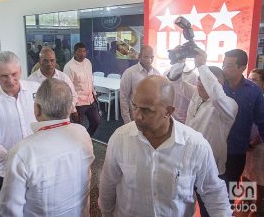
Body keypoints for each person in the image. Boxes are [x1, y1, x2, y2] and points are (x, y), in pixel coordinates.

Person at [98, 75, 232, 216]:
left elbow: (214, 193)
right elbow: (108, 185)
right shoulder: (120, 139)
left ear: (169, 111)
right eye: (135, 106)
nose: (137, 116)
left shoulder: (196, 146)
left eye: (146, 110)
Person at [0, 78, 94, 217]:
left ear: (37, 109)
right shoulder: (82, 133)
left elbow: (9, 212)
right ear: (69, 108)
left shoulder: (22, 152)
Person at [168, 50, 238, 217]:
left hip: (211, 168)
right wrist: (180, 60)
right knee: (183, 205)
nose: (200, 83)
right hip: (187, 163)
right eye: (199, 79)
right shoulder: (196, 95)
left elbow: (217, 96)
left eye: (204, 80)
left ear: (218, 85)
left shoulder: (229, 105)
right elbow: (176, 82)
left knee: (211, 211)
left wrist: (202, 66)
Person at [0, 51, 39, 178]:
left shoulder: (36, 89)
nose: (11, 80)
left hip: (38, 165)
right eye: (4, 76)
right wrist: (13, 161)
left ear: (20, 70)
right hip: (9, 171)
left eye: (14, 74)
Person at [222, 49, 264, 188]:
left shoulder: (254, 91)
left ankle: (235, 209)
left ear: (242, 67)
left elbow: (261, 121)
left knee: (232, 190)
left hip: (237, 151)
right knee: (209, 193)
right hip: (214, 149)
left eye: (228, 65)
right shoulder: (217, 87)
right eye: (223, 64)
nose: (224, 68)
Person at [28, 46, 78, 117]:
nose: (49, 63)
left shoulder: (63, 77)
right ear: (39, 62)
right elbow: (27, 102)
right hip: (40, 121)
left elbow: (74, 95)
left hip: (61, 119)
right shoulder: (31, 80)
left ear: (55, 61)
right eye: (45, 60)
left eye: (52, 60)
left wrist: (66, 109)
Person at [63, 42, 100, 136]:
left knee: (96, 122)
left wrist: (94, 93)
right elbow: (67, 90)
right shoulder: (69, 67)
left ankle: (86, 138)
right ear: (74, 52)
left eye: (84, 51)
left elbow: (90, 80)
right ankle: (77, 144)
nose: (82, 54)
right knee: (78, 128)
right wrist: (73, 109)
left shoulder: (88, 62)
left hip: (90, 100)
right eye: (79, 51)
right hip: (78, 104)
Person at [120, 45, 160, 124]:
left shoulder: (157, 73)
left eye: (152, 57)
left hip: (152, 115)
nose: (149, 60)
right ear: (139, 57)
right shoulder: (129, 73)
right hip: (135, 115)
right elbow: (123, 97)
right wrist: (127, 120)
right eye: (146, 57)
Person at [242, 68, 264, 215]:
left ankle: (255, 210)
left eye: (254, 80)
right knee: (246, 176)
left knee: (259, 180)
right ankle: (246, 204)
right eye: (249, 79)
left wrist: (254, 142)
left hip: (260, 148)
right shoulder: (247, 98)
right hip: (246, 147)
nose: (250, 82)